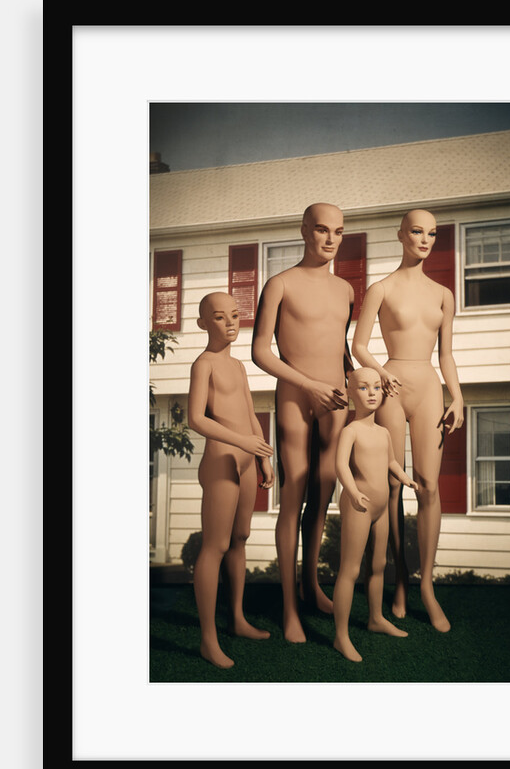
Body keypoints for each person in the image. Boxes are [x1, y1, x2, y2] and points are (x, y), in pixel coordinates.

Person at [352, 209, 464, 633]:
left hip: (430, 388)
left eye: (432, 233)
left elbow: (446, 354)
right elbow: (359, 345)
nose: (425, 239)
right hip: (392, 388)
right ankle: (399, 578)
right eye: (417, 231)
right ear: (401, 235)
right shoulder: (380, 289)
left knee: (429, 485)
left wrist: (458, 396)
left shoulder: (443, 294)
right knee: (393, 485)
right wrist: (381, 373)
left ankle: (427, 587)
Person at [252, 203, 355, 643]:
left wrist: (354, 383)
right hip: (296, 396)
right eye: (321, 230)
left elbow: (341, 348)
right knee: (293, 496)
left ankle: (311, 587)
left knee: (322, 498)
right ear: (304, 231)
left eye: (338, 232)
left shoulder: (346, 289)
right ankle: (289, 607)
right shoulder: (280, 284)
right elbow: (260, 351)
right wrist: (309, 385)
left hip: (336, 401)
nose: (330, 239)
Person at [187, 292, 275, 668]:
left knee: (240, 538)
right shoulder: (203, 364)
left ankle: (237, 619)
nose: (230, 323)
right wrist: (242, 442)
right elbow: (196, 419)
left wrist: (263, 457)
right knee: (216, 545)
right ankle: (208, 639)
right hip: (221, 460)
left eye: (235, 315)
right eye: (220, 317)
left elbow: (250, 414)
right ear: (203, 323)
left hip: (246, 460)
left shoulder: (238, 366)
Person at [332, 368, 417, 663]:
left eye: (377, 387)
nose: (371, 393)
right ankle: (341, 636)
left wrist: (404, 477)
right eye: (363, 388)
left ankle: (376, 618)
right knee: (350, 569)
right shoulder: (351, 431)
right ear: (351, 392)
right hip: (360, 505)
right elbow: (340, 465)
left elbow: (391, 461)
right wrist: (353, 492)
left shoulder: (383, 432)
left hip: (381, 508)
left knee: (379, 564)